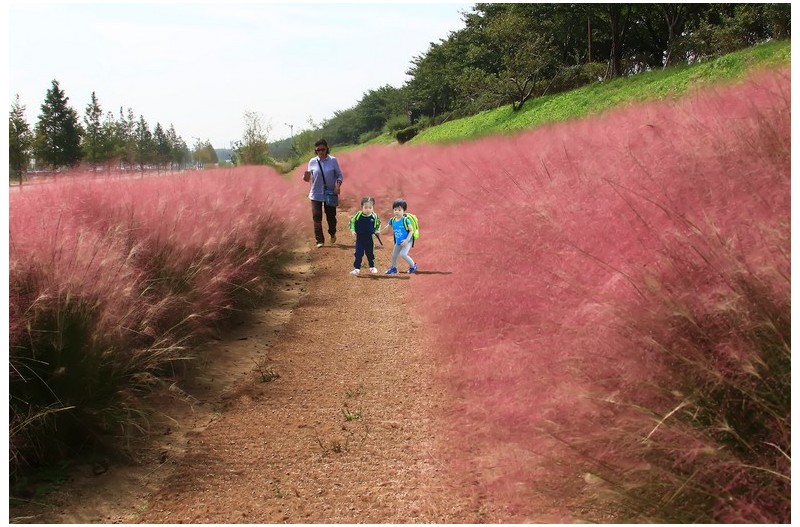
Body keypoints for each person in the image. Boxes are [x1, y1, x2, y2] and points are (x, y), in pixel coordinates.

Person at [303, 139, 343, 248]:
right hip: (315, 194)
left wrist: (338, 185)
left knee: (331, 216)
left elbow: (339, 175)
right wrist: (305, 176)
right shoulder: (312, 161)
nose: (321, 152)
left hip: (330, 193)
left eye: (323, 149)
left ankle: (332, 232)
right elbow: (308, 179)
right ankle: (319, 240)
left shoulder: (333, 160)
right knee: (316, 217)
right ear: (316, 150)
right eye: (318, 150)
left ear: (327, 148)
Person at [381, 198, 418, 274]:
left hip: (407, 241)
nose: (397, 211)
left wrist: (406, 240)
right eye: (395, 209)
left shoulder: (405, 220)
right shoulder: (393, 220)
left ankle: (413, 266)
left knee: (403, 254)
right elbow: (387, 228)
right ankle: (394, 268)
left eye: (399, 210)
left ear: (404, 211)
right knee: (394, 255)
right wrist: (380, 232)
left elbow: (411, 231)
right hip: (398, 242)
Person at [348, 196, 381, 275]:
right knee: (358, 253)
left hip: (369, 239)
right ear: (362, 207)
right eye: (365, 207)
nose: (368, 209)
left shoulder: (374, 216)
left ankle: (372, 267)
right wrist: (353, 231)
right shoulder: (358, 215)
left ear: (373, 207)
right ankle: (357, 268)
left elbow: (378, 224)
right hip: (359, 238)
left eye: (370, 207)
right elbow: (351, 222)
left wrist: (377, 231)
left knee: (370, 253)